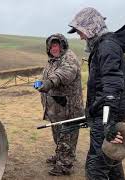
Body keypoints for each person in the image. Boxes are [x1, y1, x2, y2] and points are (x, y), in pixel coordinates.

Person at [68, 7, 125, 180]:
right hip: (105, 117)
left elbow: (112, 87)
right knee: (111, 163)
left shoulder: (107, 47)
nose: (80, 36)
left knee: (96, 168)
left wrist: (107, 124)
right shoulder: (105, 46)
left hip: (105, 119)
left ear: (91, 27)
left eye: (80, 31)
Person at [37, 33, 84, 176]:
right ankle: (60, 157)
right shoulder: (53, 60)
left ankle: (64, 165)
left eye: (56, 45)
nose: (54, 48)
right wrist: (40, 82)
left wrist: (49, 83)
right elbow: (48, 75)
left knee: (67, 134)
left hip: (68, 107)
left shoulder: (69, 58)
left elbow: (64, 75)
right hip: (56, 108)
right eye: (51, 45)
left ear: (62, 45)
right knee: (58, 134)